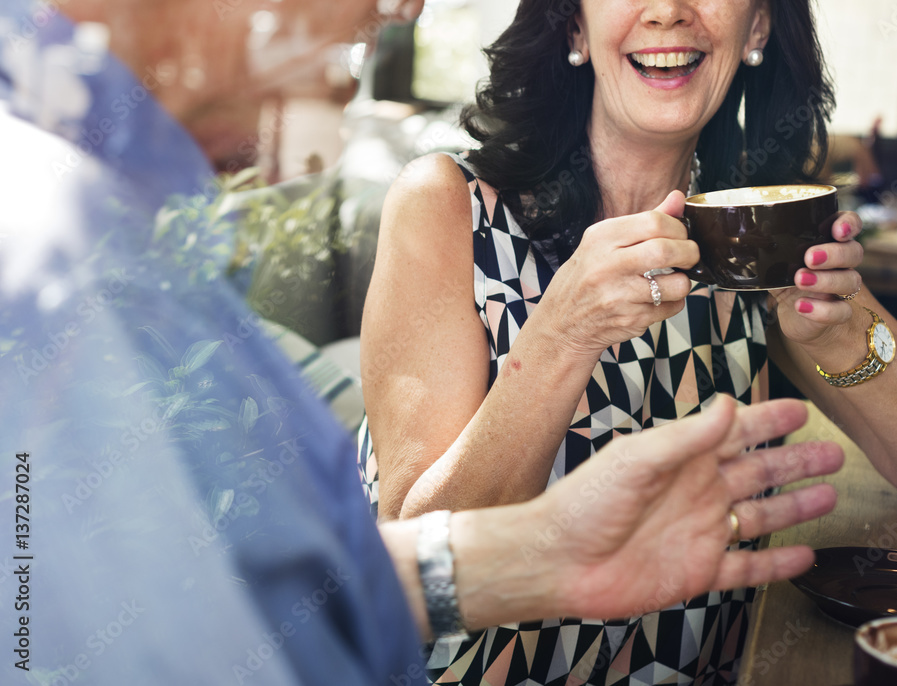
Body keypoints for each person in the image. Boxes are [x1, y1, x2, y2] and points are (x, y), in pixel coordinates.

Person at [0, 1, 844, 684]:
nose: (407, 7)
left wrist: (538, 555)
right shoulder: (47, 251)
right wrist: (561, 341)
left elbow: (284, 589)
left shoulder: (128, 222)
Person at [359, 0, 897, 683]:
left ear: (757, 28)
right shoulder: (447, 206)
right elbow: (417, 561)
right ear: (574, 25)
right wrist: (562, 335)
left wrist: (841, 334)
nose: (667, 11)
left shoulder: (750, 235)